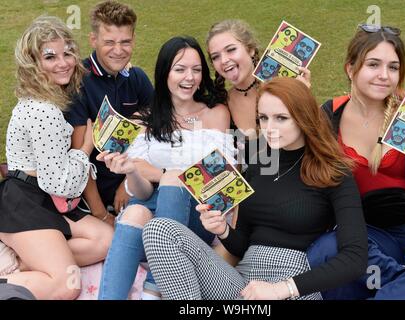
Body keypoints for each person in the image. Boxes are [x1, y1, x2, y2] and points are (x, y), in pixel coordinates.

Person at [141, 77, 368, 300]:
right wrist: (223, 230)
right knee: (158, 230)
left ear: (303, 117)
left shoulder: (335, 173)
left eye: (281, 118)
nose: (269, 128)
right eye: (263, 118)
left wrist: (280, 290)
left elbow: (355, 259)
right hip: (241, 284)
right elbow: (242, 245)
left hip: (293, 286)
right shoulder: (258, 165)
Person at [307, 24, 405, 299]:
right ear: (351, 68)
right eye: (373, 64)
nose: (384, 76)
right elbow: (285, 151)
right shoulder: (329, 115)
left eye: (393, 67)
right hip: (369, 231)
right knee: (328, 251)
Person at [96, 36, 234, 300]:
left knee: (172, 179)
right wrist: (132, 171)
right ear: (164, 73)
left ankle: (153, 290)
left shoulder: (216, 113)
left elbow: (219, 181)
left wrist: (161, 173)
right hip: (147, 215)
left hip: (194, 218)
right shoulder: (143, 119)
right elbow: (143, 192)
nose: (189, 77)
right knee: (135, 210)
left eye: (196, 70)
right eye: (180, 69)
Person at [0, 16, 113, 300]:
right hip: (25, 201)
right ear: (33, 63)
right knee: (67, 285)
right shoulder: (44, 111)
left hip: (42, 196)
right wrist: (85, 148)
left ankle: (22, 262)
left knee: (106, 240)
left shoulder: (44, 100)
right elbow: (60, 185)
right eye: (50, 56)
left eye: (67, 53)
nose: (63, 62)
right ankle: (17, 275)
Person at [68, 0, 154, 225]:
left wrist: (127, 182)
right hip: (95, 196)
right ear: (93, 40)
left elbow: (158, 128)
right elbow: (79, 159)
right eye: (109, 42)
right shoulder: (78, 83)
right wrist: (101, 215)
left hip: (136, 182)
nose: (118, 50)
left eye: (125, 42)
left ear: (134, 39)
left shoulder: (137, 78)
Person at [206, 19, 311, 164]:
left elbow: (314, 138)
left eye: (231, 50)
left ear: (250, 49)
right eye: (215, 57)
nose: (223, 60)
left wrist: (302, 98)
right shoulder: (221, 105)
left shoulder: (282, 91)